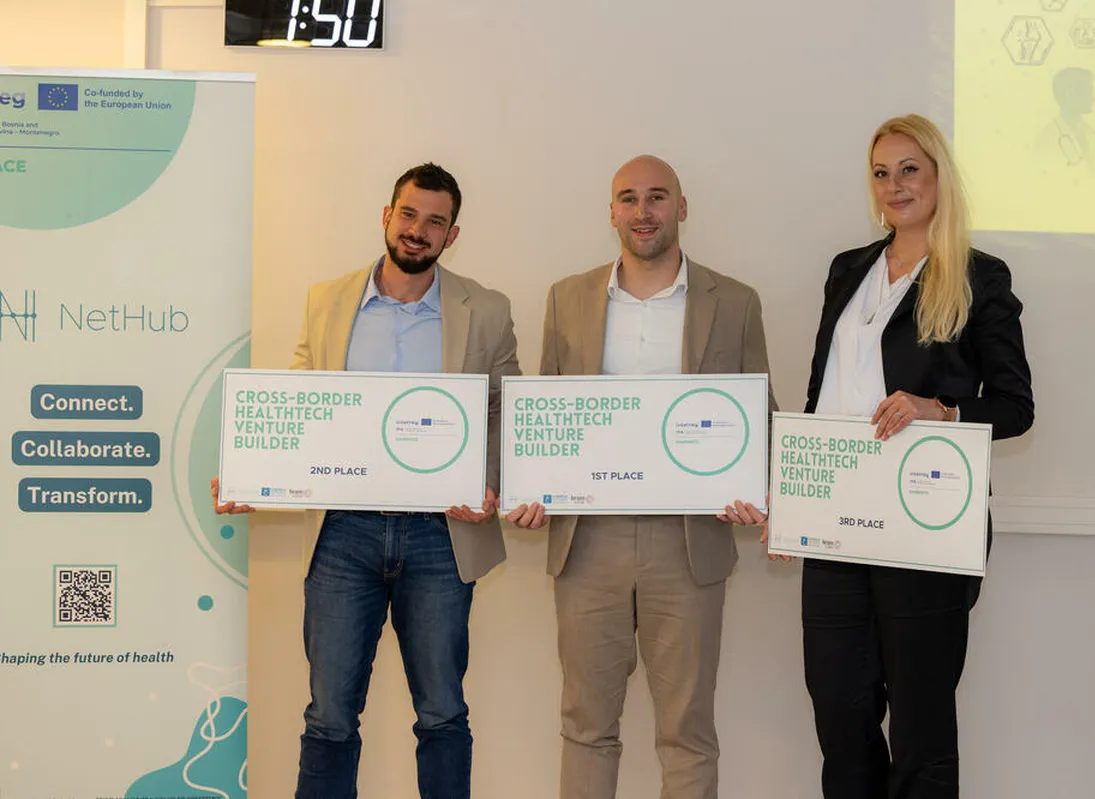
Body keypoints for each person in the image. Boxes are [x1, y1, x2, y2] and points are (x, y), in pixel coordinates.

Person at [212, 162, 520, 799]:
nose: (417, 230)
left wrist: (490, 487)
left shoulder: (487, 309)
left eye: (434, 221)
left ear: (452, 235)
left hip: (441, 537)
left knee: (442, 713)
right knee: (329, 717)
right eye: (408, 214)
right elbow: (303, 403)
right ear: (387, 216)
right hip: (342, 535)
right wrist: (253, 473)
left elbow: (504, 411)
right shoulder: (328, 300)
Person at [506, 155, 775, 799]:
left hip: (688, 541)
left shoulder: (736, 301)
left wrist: (758, 489)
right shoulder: (567, 297)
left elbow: (759, 414)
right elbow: (549, 411)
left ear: (681, 207)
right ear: (612, 213)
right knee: (586, 725)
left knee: (687, 731)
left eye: (657, 197)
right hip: (587, 541)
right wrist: (531, 488)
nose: (643, 211)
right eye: (628, 198)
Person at [795, 115, 1033, 798]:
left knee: (921, 729)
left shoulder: (979, 277)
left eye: (909, 170)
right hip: (835, 522)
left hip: (923, 524)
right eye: (881, 173)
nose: (894, 185)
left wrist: (943, 411)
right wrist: (794, 497)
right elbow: (823, 395)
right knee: (840, 715)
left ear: (938, 178)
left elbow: (1016, 407)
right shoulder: (848, 270)